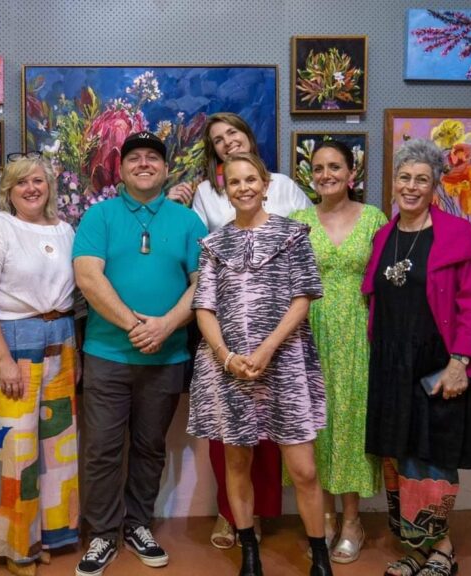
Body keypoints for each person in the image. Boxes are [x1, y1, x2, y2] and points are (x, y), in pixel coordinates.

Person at [170, 111, 312, 547]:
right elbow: (200, 260)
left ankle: (264, 514)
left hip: (280, 335)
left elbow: (308, 250)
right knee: (232, 441)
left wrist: (273, 340)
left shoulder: (285, 188)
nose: (227, 141)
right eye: (217, 139)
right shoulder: (204, 195)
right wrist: (226, 353)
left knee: (280, 438)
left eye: (233, 132)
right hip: (227, 335)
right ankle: (233, 516)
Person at [187, 152, 332, 576]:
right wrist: (226, 356)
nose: (244, 187)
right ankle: (249, 550)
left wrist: (267, 349)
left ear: (265, 184)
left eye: (251, 179)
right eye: (234, 182)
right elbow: (204, 308)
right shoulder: (213, 245)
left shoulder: (293, 235)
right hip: (230, 371)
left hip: (285, 364)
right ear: (226, 190)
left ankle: (319, 556)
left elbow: (302, 299)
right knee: (237, 463)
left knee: (304, 469)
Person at [73, 131, 207, 576]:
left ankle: (138, 525)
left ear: (166, 169)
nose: (144, 163)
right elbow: (88, 277)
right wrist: (135, 326)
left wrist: (165, 326)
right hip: (107, 354)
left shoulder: (188, 222)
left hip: (166, 357)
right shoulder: (100, 216)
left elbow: (202, 284)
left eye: (153, 157)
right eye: (134, 158)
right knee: (102, 450)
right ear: (122, 169)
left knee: (150, 448)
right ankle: (102, 533)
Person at [362, 139, 471, 576]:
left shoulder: (456, 233)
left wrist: (459, 362)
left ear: (435, 184)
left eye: (422, 179)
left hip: (439, 363)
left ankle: (443, 551)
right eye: (404, 177)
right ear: (394, 183)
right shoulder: (384, 235)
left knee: (432, 457)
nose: (411, 186)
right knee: (398, 457)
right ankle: (417, 547)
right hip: (391, 363)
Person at [0, 154, 79, 576]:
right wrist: (3, 359)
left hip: (61, 338)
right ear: (8, 192)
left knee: (55, 448)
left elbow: (75, 294)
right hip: (13, 341)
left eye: (38, 181)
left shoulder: (65, 230)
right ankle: (14, 546)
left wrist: (75, 355)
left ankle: (46, 535)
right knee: (13, 449)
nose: (31, 189)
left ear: (49, 186)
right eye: (21, 183)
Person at [289, 141, 386, 563]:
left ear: (351, 173)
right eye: (318, 168)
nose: (326, 174)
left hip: (358, 335)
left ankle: (352, 521)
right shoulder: (298, 222)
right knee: (316, 426)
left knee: (351, 424)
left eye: (334, 167)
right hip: (307, 333)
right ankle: (323, 517)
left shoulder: (374, 219)